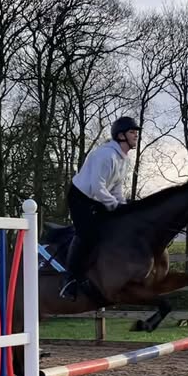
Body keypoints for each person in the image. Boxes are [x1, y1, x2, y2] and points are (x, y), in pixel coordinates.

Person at [59, 116, 140, 300]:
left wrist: (122, 206)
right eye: (132, 132)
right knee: (87, 234)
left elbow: (116, 188)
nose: (136, 135)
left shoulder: (124, 160)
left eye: (136, 132)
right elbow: (98, 187)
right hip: (80, 197)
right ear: (121, 136)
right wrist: (114, 205)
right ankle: (69, 279)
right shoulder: (106, 156)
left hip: (97, 198)